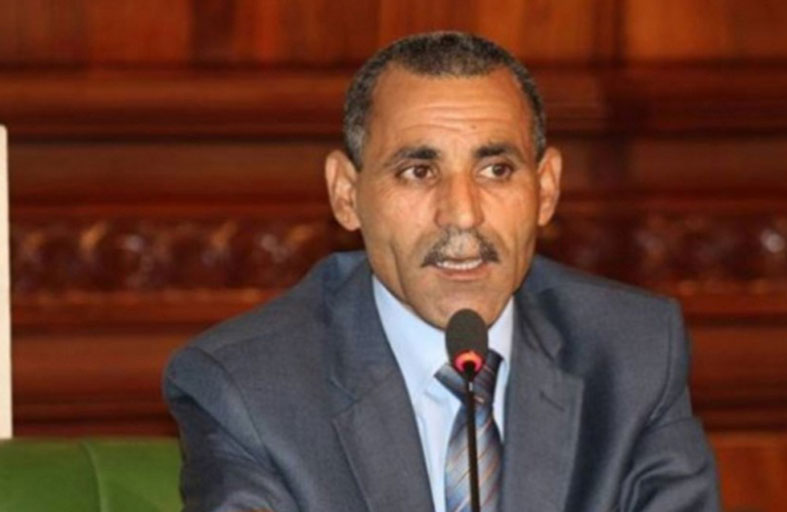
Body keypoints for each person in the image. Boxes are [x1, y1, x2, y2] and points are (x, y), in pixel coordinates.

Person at [164, 32, 720, 512]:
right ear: (347, 195)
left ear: (546, 189)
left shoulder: (634, 352)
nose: (462, 214)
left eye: (496, 169)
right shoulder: (248, 386)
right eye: (418, 171)